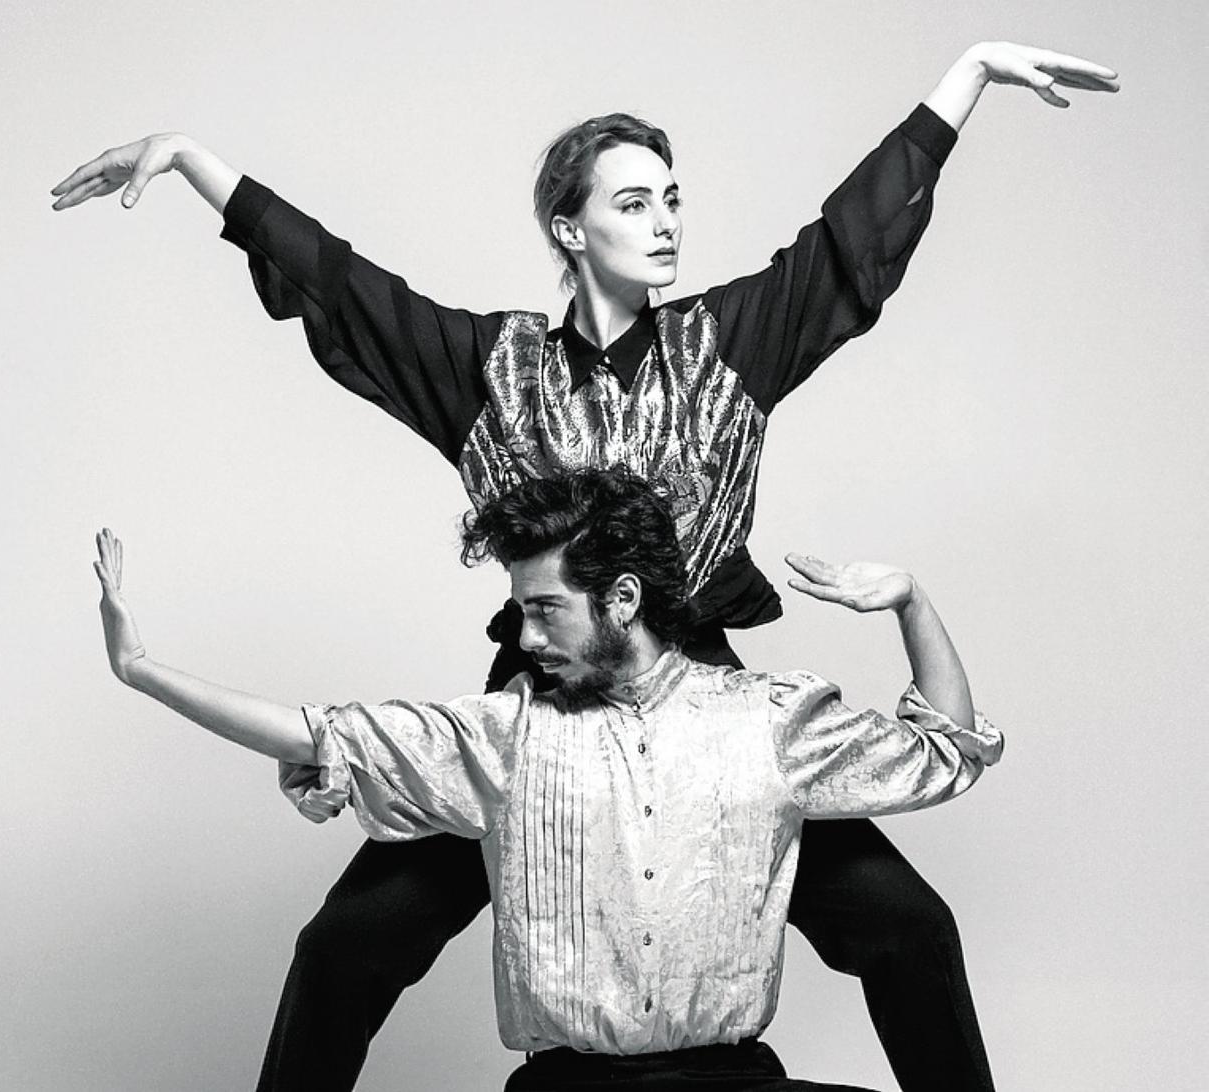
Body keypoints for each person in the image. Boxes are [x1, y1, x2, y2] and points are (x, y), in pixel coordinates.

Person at [56, 41, 1115, 1092]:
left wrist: (968, 77)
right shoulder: (490, 368)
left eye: (672, 201)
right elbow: (343, 286)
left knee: (908, 929)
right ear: (570, 228)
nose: (665, 224)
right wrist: (192, 161)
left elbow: (845, 250)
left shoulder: (727, 344)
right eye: (634, 203)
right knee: (344, 948)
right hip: (543, 713)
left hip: (703, 713)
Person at [92, 468, 1003, 1092]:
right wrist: (143, 672)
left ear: (622, 600)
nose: (523, 638)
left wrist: (912, 603)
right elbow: (323, 732)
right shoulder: (511, 734)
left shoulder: (766, 720)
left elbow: (946, 753)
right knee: (340, 944)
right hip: (570, 1090)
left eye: (543, 610)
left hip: (736, 1080)